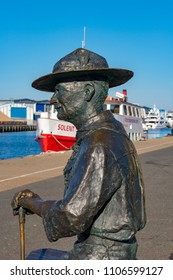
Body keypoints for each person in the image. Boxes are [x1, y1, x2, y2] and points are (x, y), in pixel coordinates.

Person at [11, 48, 146, 260]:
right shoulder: (110, 135)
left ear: (88, 92)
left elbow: (70, 216)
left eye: (59, 91)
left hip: (99, 258)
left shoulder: (99, 145)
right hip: (111, 253)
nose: (53, 99)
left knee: (33, 261)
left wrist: (33, 203)